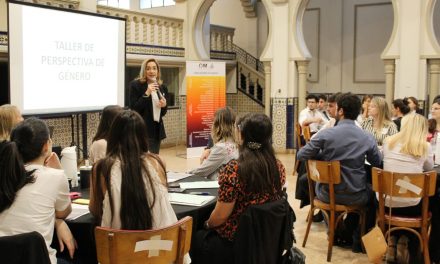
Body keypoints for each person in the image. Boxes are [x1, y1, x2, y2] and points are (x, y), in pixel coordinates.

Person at [88, 110, 191, 263]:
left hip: (120, 256)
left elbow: (95, 210)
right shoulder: (156, 162)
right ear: (143, 137)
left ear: (112, 136)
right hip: (161, 256)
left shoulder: (101, 168)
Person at [191, 113, 286, 263]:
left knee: (195, 237)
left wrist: (206, 224)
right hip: (266, 238)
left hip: (235, 242)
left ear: (241, 134)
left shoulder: (234, 170)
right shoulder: (278, 166)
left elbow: (220, 217)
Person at [297, 93, 382, 252]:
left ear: (340, 111)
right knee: (372, 196)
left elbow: (301, 155)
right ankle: (357, 239)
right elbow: (377, 162)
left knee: (326, 188)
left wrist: (322, 157)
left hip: (327, 193)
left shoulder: (326, 134)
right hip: (356, 194)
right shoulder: (366, 137)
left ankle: (334, 233)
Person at [0, 118, 75, 264]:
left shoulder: (4, 174)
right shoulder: (55, 176)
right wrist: (59, 169)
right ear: (47, 146)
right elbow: (63, 212)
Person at [381, 114, 434, 263]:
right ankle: (409, 244)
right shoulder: (424, 146)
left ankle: (394, 240)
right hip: (412, 206)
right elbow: (429, 168)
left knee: (403, 196)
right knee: (429, 197)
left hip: (387, 204)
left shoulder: (388, 142)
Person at [129, 58, 168, 154]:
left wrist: (164, 105)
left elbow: (162, 113)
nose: (151, 71)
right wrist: (147, 92)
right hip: (141, 130)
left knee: (153, 160)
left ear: (158, 71)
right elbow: (134, 109)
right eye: (148, 68)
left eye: (154, 68)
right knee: (142, 161)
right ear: (144, 71)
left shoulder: (162, 87)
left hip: (156, 131)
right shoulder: (135, 85)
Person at [188, 107, 238, 180]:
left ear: (218, 126)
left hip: (218, 186)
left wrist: (182, 175)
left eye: (213, 122)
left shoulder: (221, 148)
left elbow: (201, 171)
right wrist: (210, 150)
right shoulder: (236, 143)